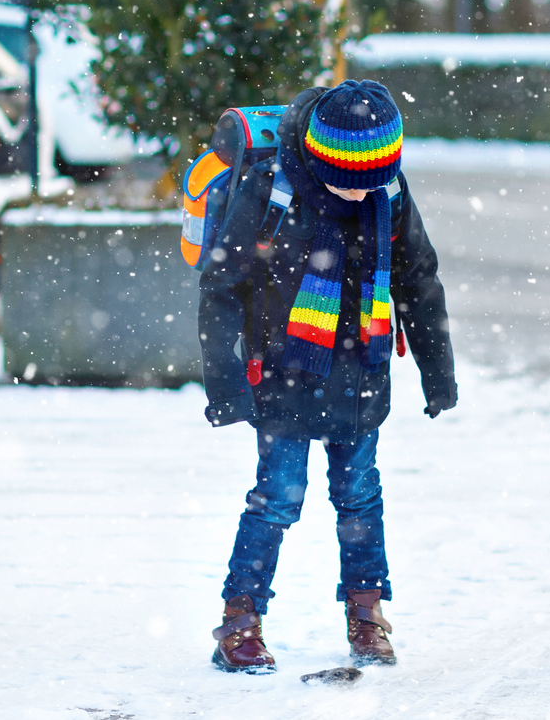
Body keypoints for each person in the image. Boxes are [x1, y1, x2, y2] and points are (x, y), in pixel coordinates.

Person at [198, 79, 457, 673]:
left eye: (371, 182)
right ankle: (239, 623)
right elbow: (220, 288)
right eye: (346, 179)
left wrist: (437, 374)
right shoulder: (273, 189)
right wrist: (226, 385)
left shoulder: (385, 190)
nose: (358, 193)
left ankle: (366, 615)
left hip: (361, 371)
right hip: (282, 373)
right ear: (318, 155)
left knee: (360, 497)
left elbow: (419, 280)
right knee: (275, 500)